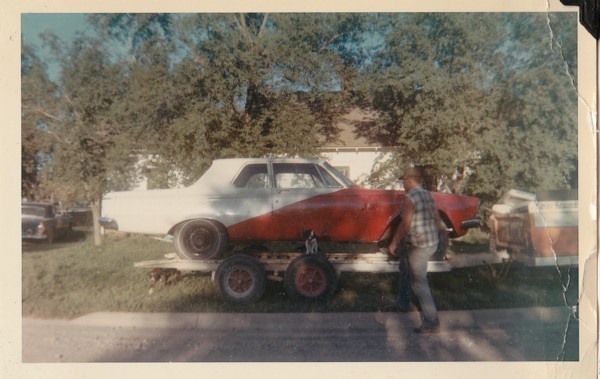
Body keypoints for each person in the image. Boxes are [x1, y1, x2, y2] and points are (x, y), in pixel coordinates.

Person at [388, 167, 441, 334]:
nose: (403, 184)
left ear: (410, 180)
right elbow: (437, 219)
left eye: (403, 181)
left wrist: (393, 243)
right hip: (431, 242)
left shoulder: (410, 197)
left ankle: (432, 322)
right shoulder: (427, 194)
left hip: (419, 245)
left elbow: (405, 224)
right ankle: (404, 304)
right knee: (405, 267)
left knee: (419, 282)